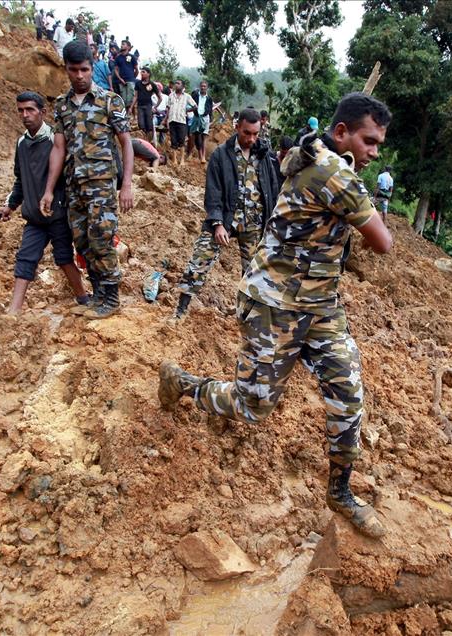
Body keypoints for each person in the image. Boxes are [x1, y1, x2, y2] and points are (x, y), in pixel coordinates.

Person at [158, 93, 394, 538]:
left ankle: (340, 492)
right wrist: (367, 195)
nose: (374, 152)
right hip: (275, 305)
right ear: (341, 132)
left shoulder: (318, 156)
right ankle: (184, 385)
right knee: (253, 406)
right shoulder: (331, 171)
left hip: (321, 305)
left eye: (378, 144)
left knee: (348, 395)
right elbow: (382, 242)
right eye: (369, 141)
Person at [41, 41, 134, 320]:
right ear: (66, 70)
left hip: (102, 187)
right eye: (73, 70)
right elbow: (58, 148)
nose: (79, 75)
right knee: (82, 241)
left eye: (84, 69)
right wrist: (48, 190)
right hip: (74, 187)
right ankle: (97, 295)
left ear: (92, 68)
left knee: (102, 239)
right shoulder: (61, 106)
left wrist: (126, 184)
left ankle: (112, 298)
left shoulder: (109, 100)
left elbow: (126, 143)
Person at [174, 108, 281, 318]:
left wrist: (273, 221)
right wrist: (217, 223)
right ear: (237, 127)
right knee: (200, 260)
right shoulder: (221, 155)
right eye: (246, 133)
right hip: (226, 219)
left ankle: (246, 317)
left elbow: (272, 188)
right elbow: (212, 192)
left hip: (255, 223)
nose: (251, 138)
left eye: (255, 134)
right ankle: (181, 310)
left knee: (254, 274)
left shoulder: (264, 155)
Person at [0, 91, 89, 314]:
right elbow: (21, 179)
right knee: (25, 259)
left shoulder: (54, 140)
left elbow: (70, 176)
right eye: (21, 110)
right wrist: (10, 205)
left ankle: (83, 297)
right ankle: (14, 311)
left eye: (30, 110)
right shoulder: (21, 143)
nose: (25, 115)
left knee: (64, 259)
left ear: (43, 112)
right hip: (34, 216)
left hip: (57, 214)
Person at [165, 79, 196, 166]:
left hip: (182, 121)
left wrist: (187, 110)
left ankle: (182, 160)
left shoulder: (187, 96)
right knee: (173, 140)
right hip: (172, 120)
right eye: (176, 83)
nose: (176, 85)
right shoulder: (171, 95)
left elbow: (195, 106)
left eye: (178, 83)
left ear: (182, 86)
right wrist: (166, 119)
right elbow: (168, 108)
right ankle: (174, 160)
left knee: (182, 140)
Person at [189, 80, 214, 164]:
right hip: (196, 117)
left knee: (204, 137)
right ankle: (190, 153)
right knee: (192, 135)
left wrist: (210, 119)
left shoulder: (209, 98)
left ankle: (203, 157)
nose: (203, 87)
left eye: (204, 86)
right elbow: (191, 104)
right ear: (200, 87)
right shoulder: (195, 95)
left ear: (207, 88)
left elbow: (210, 110)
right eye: (202, 86)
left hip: (205, 118)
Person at [112, 39, 138, 110]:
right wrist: (120, 79)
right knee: (123, 101)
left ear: (128, 47)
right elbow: (116, 70)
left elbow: (136, 70)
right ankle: (125, 117)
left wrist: (132, 78)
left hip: (130, 81)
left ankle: (133, 119)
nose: (121, 45)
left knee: (131, 100)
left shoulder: (132, 57)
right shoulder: (118, 58)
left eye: (123, 44)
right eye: (121, 44)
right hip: (121, 82)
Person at [134, 68, 159, 137]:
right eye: (141, 72)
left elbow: (160, 97)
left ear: (148, 74)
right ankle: (144, 139)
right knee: (141, 124)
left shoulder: (152, 84)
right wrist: (131, 107)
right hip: (140, 106)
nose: (141, 73)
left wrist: (155, 107)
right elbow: (135, 96)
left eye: (143, 72)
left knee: (149, 125)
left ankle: (150, 141)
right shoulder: (138, 83)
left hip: (148, 106)